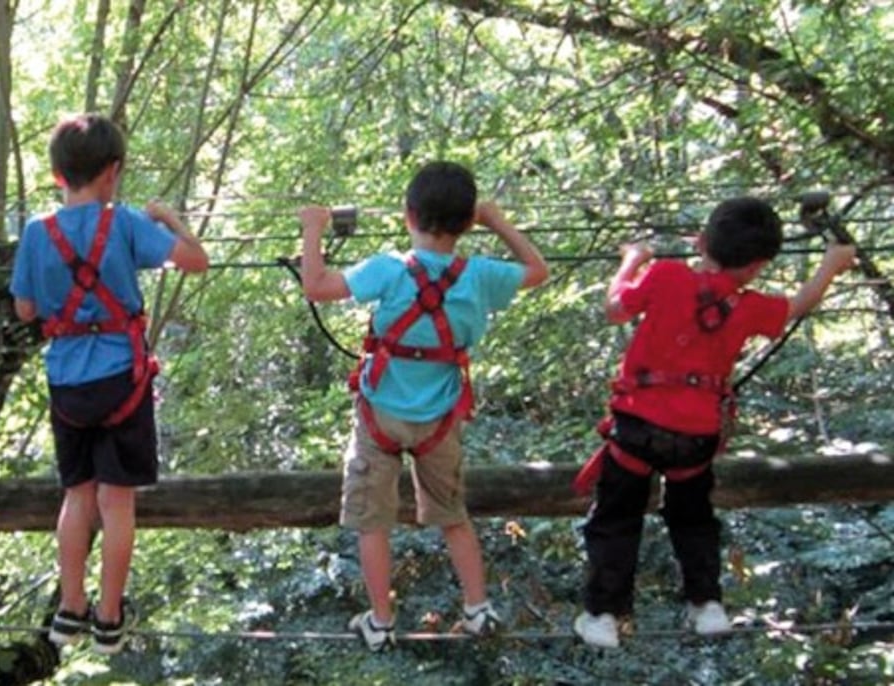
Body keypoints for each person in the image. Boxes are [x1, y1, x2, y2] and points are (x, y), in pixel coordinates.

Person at [572, 196, 857, 648]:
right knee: (694, 520)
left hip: (637, 428)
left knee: (615, 518)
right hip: (696, 438)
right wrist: (832, 263)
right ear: (758, 266)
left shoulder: (665, 274)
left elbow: (615, 308)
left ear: (701, 241)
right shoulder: (751, 306)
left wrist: (630, 261)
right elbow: (801, 303)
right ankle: (706, 605)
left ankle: (603, 614)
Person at [299, 161, 549, 651]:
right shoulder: (480, 276)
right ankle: (477, 608)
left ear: (408, 214)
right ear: (468, 222)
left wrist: (312, 229)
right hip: (439, 419)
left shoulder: (387, 269)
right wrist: (498, 222)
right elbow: (538, 271)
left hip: (379, 417)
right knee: (453, 514)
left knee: (373, 522)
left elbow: (317, 286)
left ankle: (381, 619)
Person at [11, 114, 208, 654]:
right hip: (122, 377)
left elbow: (26, 308)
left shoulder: (35, 233)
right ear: (113, 173)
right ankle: (110, 616)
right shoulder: (123, 224)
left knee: (77, 496)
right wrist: (169, 219)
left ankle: (69, 607)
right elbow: (196, 260)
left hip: (66, 383)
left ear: (57, 175)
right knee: (116, 502)